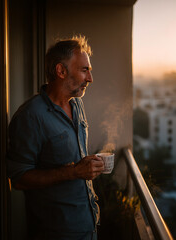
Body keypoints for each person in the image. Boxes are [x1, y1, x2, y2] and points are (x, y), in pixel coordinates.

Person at [7, 36, 105, 240]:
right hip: (57, 232)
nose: (90, 78)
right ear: (61, 71)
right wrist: (73, 172)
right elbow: (19, 179)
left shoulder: (77, 105)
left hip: (89, 226)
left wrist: (87, 166)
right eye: (84, 70)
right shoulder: (31, 116)